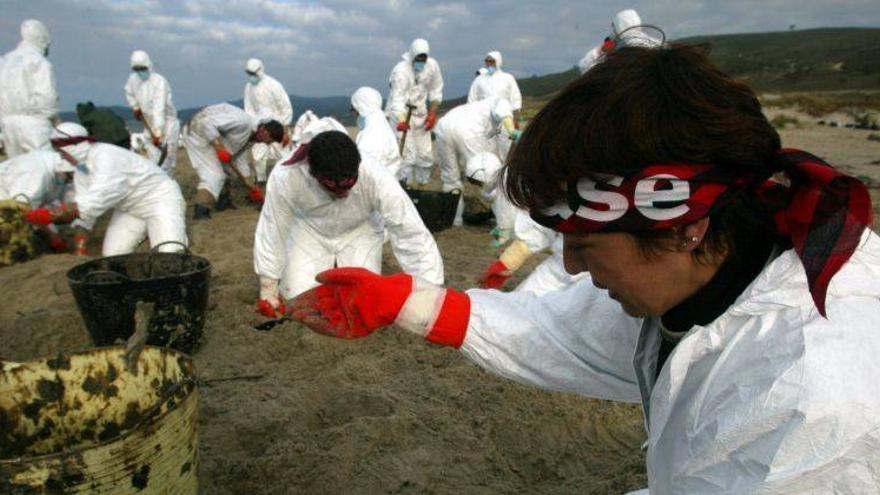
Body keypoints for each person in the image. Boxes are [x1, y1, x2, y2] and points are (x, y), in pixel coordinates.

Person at [287, 45, 880, 492]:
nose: (569, 263)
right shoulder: (717, 270)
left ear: (681, 222)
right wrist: (410, 303)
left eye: (585, 242)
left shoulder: (814, 391)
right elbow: (572, 331)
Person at [253, 130, 443, 317]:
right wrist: (268, 288)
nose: (344, 194)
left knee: (362, 298)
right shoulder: (286, 176)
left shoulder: (376, 176)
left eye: (349, 186)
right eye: (334, 188)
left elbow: (409, 231)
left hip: (360, 228)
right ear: (313, 173)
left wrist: (429, 290)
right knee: (296, 295)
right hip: (309, 228)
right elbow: (273, 229)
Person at [24, 123, 188, 256]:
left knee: (170, 252)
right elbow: (85, 214)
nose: (62, 157)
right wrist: (80, 246)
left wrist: (49, 215)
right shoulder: (82, 170)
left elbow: (95, 201)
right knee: (113, 255)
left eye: (62, 152)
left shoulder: (105, 157)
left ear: (72, 147)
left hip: (159, 199)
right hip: (129, 208)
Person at [182, 103, 284, 219]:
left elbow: (239, 160)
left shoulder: (249, 138)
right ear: (264, 131)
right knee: (214, 175)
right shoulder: (243, 122)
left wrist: (251, 186)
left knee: (225, 171)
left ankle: (223, 202)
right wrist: (219, 148)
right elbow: (206, 123)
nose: (267, 143)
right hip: (197, 132)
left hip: (208, 137)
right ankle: (201, 210)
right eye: (270, 140)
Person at [432, 98, 519, 226]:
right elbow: (503, 116)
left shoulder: (484, 106)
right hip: (469, 130)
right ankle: (507, 223)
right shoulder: (503, 105)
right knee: (487, 176)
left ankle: (454, 220)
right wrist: (512, 131)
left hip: (443, 126)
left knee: (450, 179)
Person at [478, 210, 588, 295]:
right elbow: (545, 220)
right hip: (561, 267)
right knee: (520, 308)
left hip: (596, 286)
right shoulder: (577, 184)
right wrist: (507, 263)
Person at [385, 38, 443, 187]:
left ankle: (422, 186)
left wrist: (432, 113)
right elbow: (396, 101)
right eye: (418, 58)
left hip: (421, 114)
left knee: (425, 156)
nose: (421, 62)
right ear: (412, 56)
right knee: (407, 156)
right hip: (402, 116)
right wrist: (401, 120)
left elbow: (436, 89)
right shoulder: (401, 71)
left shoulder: (432, 66)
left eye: (424, 58)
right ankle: (405, 187)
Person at [0, 20, 58, 157]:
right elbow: (48, 97)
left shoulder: (5, 61)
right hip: (35, 123)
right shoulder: (39, 61)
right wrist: (53, 119)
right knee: (42, 166)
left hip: (7, 124)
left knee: (17, 168)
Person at [0, 149, 74, 255]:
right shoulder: (37, 175)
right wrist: (52, 236)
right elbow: (22, 211)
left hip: (12, 197)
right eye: (69, 176)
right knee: (12, 234)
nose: (69, 181)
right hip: (7, 200)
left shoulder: (52, 163)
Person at [124, 50, 180, 173]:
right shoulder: (133, 79)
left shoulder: (159, 82)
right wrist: (135, 107)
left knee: (166, 163)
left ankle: (168, 187)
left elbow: (158, 109)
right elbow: (129, 92)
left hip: (166, 124)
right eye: (136, 69)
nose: (140, 72)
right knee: (153, 160)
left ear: (149, 66)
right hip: (148, 123)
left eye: (142, 68)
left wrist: (158, 133)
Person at [243, 58, 293, 184]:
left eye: (253, 74)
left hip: (277, 127)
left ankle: (283, 182)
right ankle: (261, 182)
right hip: (260, 128)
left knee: (282, 156)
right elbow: (248, 108)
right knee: (258, 157)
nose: (251, 77)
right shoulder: (249, 87)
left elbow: (285, 107)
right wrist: (254, 125)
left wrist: (285, 129)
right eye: (249, 74)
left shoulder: (273, 85)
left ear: (260, 70)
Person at [578, 9, 663, 74]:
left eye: (613, 27)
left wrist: (602, 48)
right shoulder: (656, 43)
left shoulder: (616, 53)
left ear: (618, 27)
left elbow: (584, 66)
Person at [462, 151, 517, 246]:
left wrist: (504, 233)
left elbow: (508, 221)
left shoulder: (502, 190)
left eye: (476, 182)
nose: (475, 185)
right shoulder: (503, 175)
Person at [351, 86, 401, 177]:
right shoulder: (381, 124)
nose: (355, 115)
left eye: (355, 111)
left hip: (377, 187)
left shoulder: (371, 134)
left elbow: (366, 169)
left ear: (361, 109)